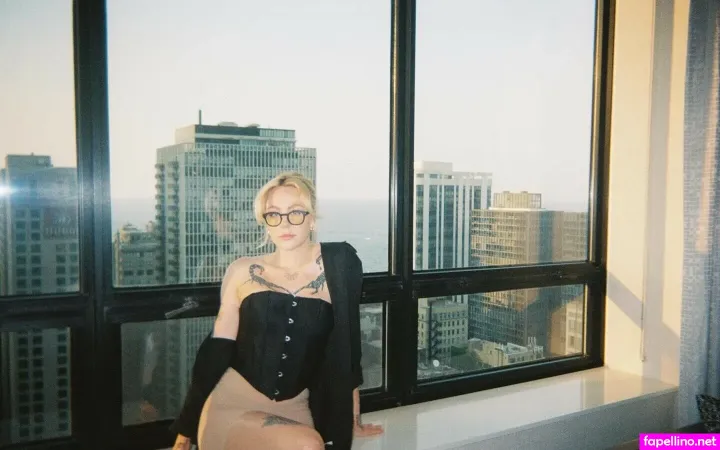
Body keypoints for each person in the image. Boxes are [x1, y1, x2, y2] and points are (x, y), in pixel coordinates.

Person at [170, 172, 384, 450]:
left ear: (312, 217)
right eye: (274, 214)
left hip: (296, 411)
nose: (285, 223)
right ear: (265, 221)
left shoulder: (340, 265)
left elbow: (348, 350)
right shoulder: (242, 270)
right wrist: (185, 428)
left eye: (295, 212)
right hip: (232, 406)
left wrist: (352, 420)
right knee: (308, 445)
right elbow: (216, 350)